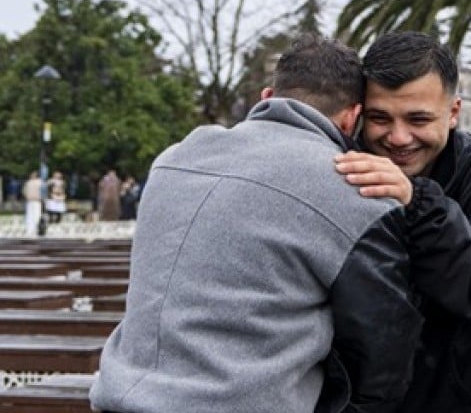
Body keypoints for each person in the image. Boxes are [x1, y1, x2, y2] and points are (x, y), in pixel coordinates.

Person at [90, 34, 422, 413]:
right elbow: (383, 347)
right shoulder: (358, 191)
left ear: (266, 97)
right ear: (352, 117)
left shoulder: (174, 159)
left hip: (121, 396)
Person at [334, 31, 471, 413]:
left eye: (418, 119)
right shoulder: (343, 167)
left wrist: (417, 201)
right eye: (380, 118)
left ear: (453, 113)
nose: (398, 138)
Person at [21, 171, 42, 237]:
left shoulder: (40, 182)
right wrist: (27, 196)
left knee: (37, 215)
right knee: (29, 216)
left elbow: (43, 192)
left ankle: (35, 230)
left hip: (37, 201)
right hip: (30, 201)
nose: (32, 176)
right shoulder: (28, 182)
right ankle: (29, 230)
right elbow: (24, 191)